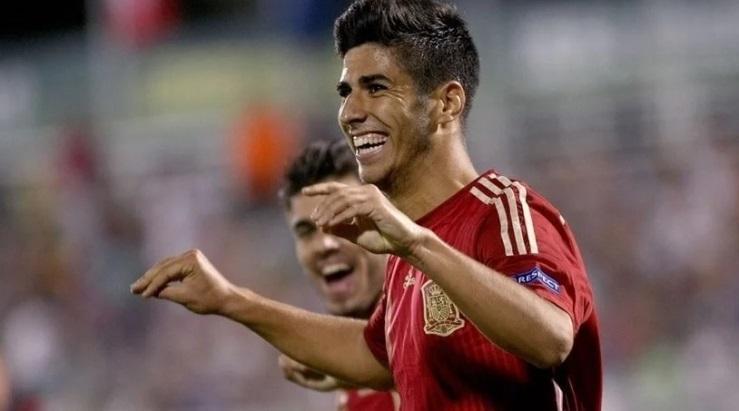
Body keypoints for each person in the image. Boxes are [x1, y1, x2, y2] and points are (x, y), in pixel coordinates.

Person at [131, 0, 602, 409]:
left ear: (446, 103)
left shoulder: (502, 212)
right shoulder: (407, 247)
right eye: (346, 92)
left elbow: (552, 337)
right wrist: (230, 301)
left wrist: (416, 244)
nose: (350, 113)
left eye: (375, 88)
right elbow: (374, 355)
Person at [277, 139, 398, 410]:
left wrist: (231, 302)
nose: (325, 244)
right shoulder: (347, 391)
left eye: (343, 220)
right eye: (306, 231)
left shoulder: (442, 319)